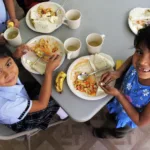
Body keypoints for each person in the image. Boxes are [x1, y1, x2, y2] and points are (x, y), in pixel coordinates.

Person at [93, 25, 150, 138]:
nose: (142, 62)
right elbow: (131, 59)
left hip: (128, 116)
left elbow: (140, 121)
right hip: (118, 102)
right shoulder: (138, 63)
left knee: (118, 129)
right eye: (139, 51)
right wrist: (118, 72)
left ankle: (109, 133)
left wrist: (118, 95)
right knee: (110, 116)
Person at [0, 47, 68, 132]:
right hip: (23, 120)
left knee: (39, 85)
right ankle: (63, 114)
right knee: (54, 96)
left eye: (8, 64)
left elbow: (3, 62)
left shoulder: (5, 81)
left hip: (19, 98)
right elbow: (42, 104)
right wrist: (48, 71)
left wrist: (14, 56)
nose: (8, 74)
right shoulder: (5, 106)